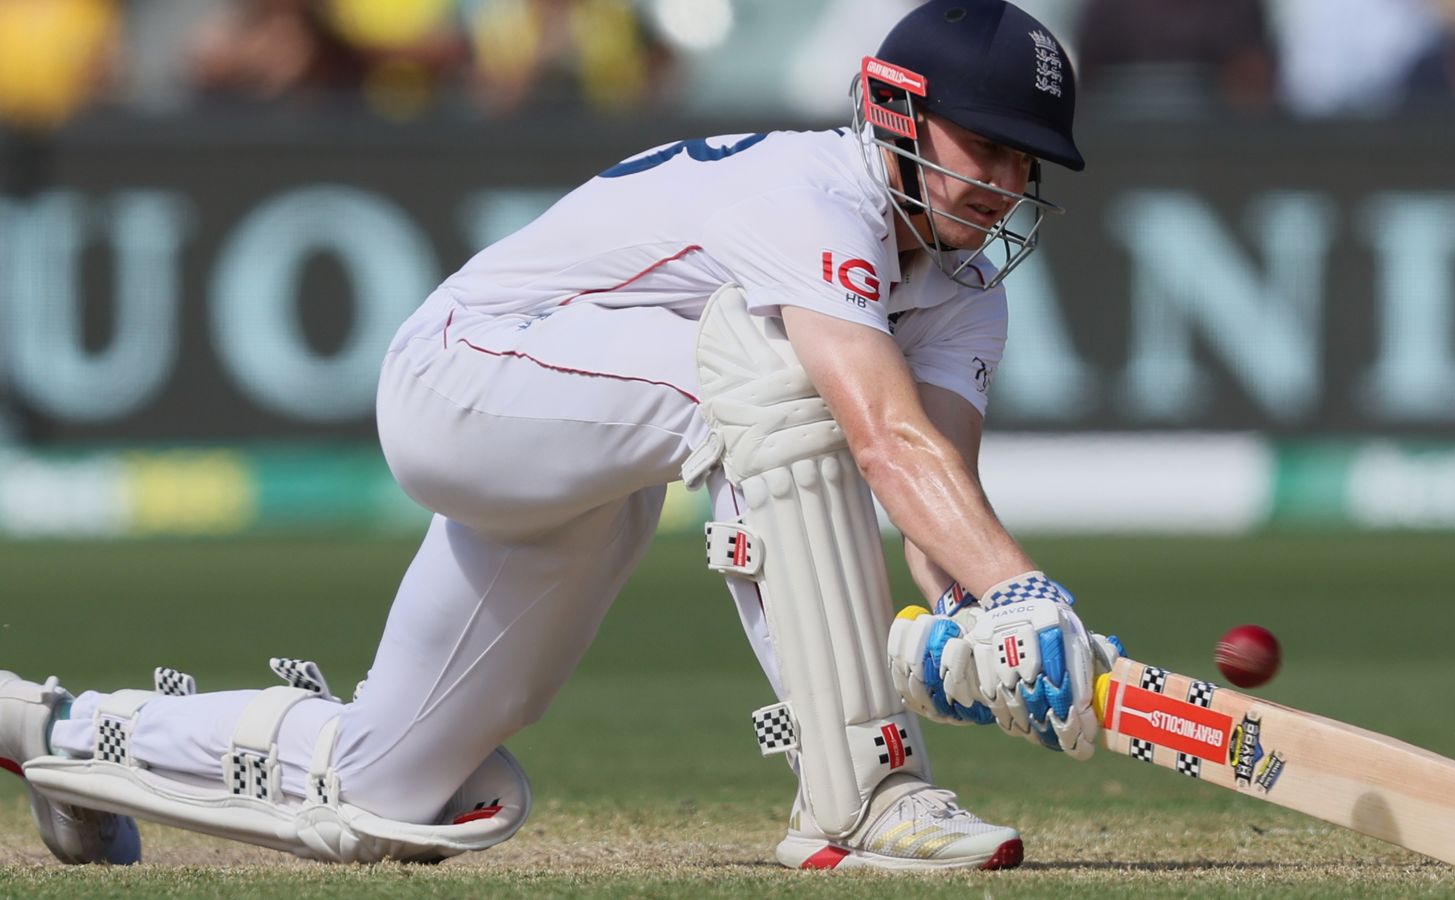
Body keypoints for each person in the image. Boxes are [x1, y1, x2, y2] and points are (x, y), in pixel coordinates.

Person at [0, 0, 1117, 872]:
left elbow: (940, 492)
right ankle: (866, 795)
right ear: (892, 107)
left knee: (385, 791)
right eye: (988, 148)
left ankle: (66, 741)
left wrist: (994, 626)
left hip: (603, 448)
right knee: (774, 383)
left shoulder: (970, 289)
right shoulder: (810, 195)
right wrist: (1024, 594)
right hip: (470, 377)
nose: (1005, 186)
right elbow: (877, 437)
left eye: (1027, 166)